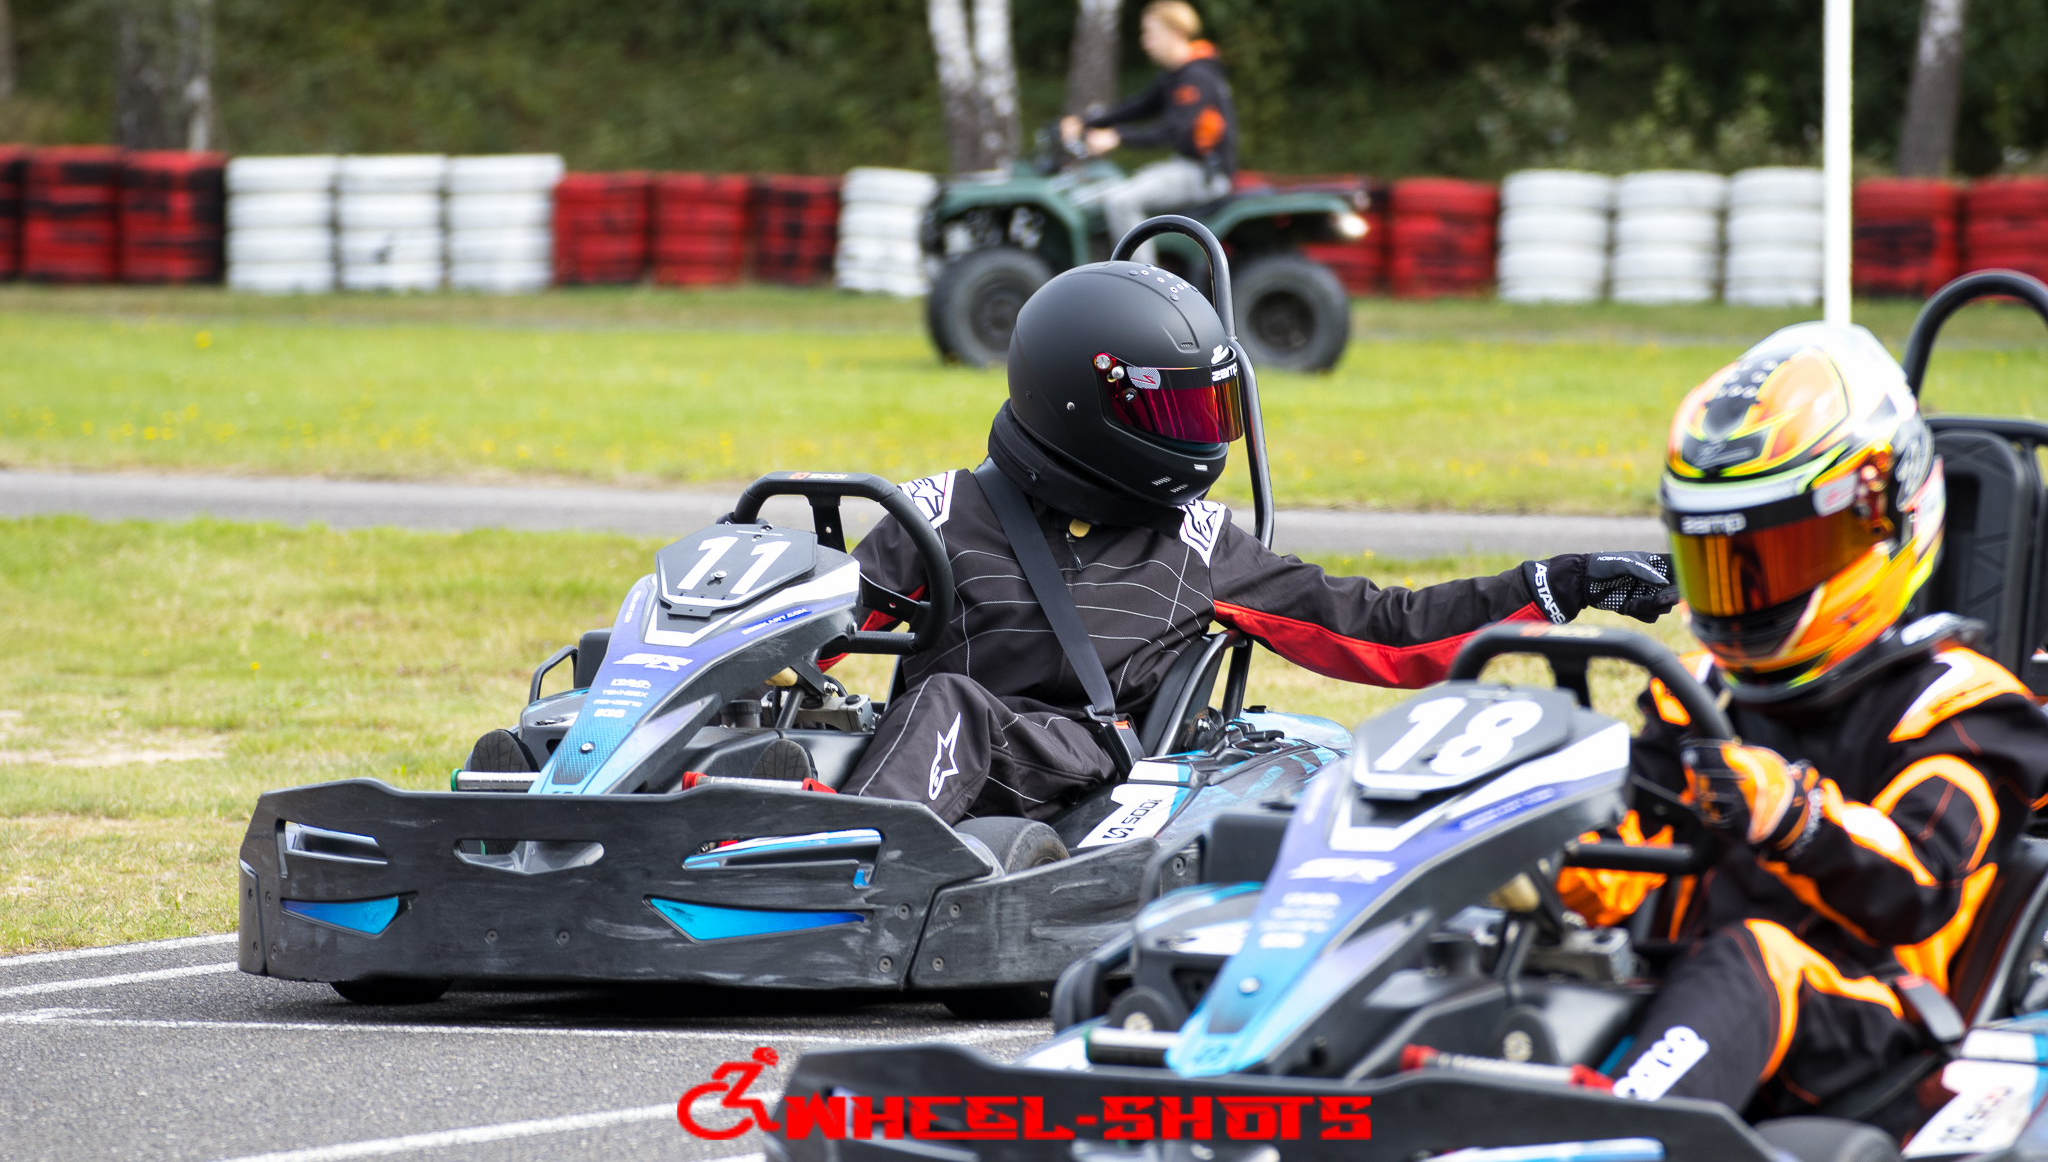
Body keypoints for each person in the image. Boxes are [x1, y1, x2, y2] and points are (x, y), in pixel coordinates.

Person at [832, 259, 1679, 823]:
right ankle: (812, 846)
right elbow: (816, 623)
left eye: (1209, 407)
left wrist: (1560, 582)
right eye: (1174, 410)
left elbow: (1383, 629)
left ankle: (844, 867)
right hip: (935, 768)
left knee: (950, 703)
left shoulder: (1200, 542)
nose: (1201, 435)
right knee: (800, 726)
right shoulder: (938, 511)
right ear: (1080, 406)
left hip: (1085, 773)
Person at [1556, 322, 2048, 1124]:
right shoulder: (1697, 691)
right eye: (1722, 566)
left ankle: (1612, 1135)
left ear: (1880, 520)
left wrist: (1795, 815)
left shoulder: (1964, 708)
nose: (1745, 598)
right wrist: (1554, 854)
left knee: (1757, 957)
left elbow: (1918, 884)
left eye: (1777, 560)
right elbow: (1634, 854)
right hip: (1687, 999)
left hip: (1875, 1025)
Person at [1062, 0, 1238, 258]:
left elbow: (1173, 130)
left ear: (1175, 33)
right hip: (1186, 167)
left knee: (1121, 202)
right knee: (1110, 188)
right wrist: (1086, 123)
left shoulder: (1196, 78)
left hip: (1206, 175)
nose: (1145, 41)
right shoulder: (1175, 75)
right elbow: (1138, 107)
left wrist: (1117, 137)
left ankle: (1143, 278)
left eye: (1151, 34)